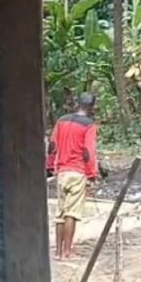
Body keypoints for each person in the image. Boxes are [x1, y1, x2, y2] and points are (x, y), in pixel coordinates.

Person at [46, 93, 100, 260]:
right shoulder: (89, 125)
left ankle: (57, 251)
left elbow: (52, 145)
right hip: (77, 171)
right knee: (72, 213)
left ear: (77, 104)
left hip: (61, 171)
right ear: (91, 107)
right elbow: (88, 151)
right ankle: (66, 252)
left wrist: (49, 165)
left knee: (60, 213)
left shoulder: (62, 121)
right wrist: (92, 174)